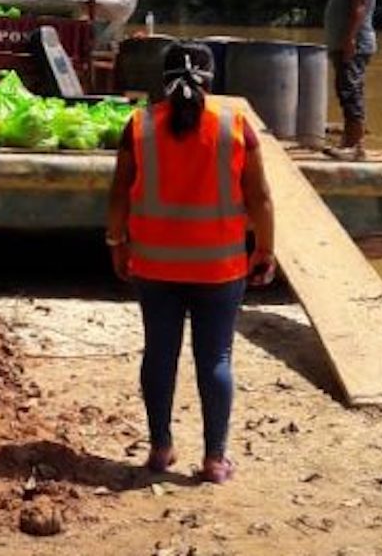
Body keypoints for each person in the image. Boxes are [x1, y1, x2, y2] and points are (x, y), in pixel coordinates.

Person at [106, 42, 276, 485]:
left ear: (161, 81)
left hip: (154, 265)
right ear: (211, 79)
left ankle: (160, 448)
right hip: (219, 269)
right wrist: (264, 250)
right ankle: (214, 460)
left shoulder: (139, 124)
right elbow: (260, 197)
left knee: (159, 354)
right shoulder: (235, 125)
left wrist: (116, 242)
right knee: (215, 358)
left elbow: (119, 192)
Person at [323, 0, 379, 160]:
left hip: (352, 43)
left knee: (350, 91)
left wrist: (350, 39)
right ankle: (349, 141)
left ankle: (355, 147)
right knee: (346, 90)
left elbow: (359, 6)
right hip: (346, 42)